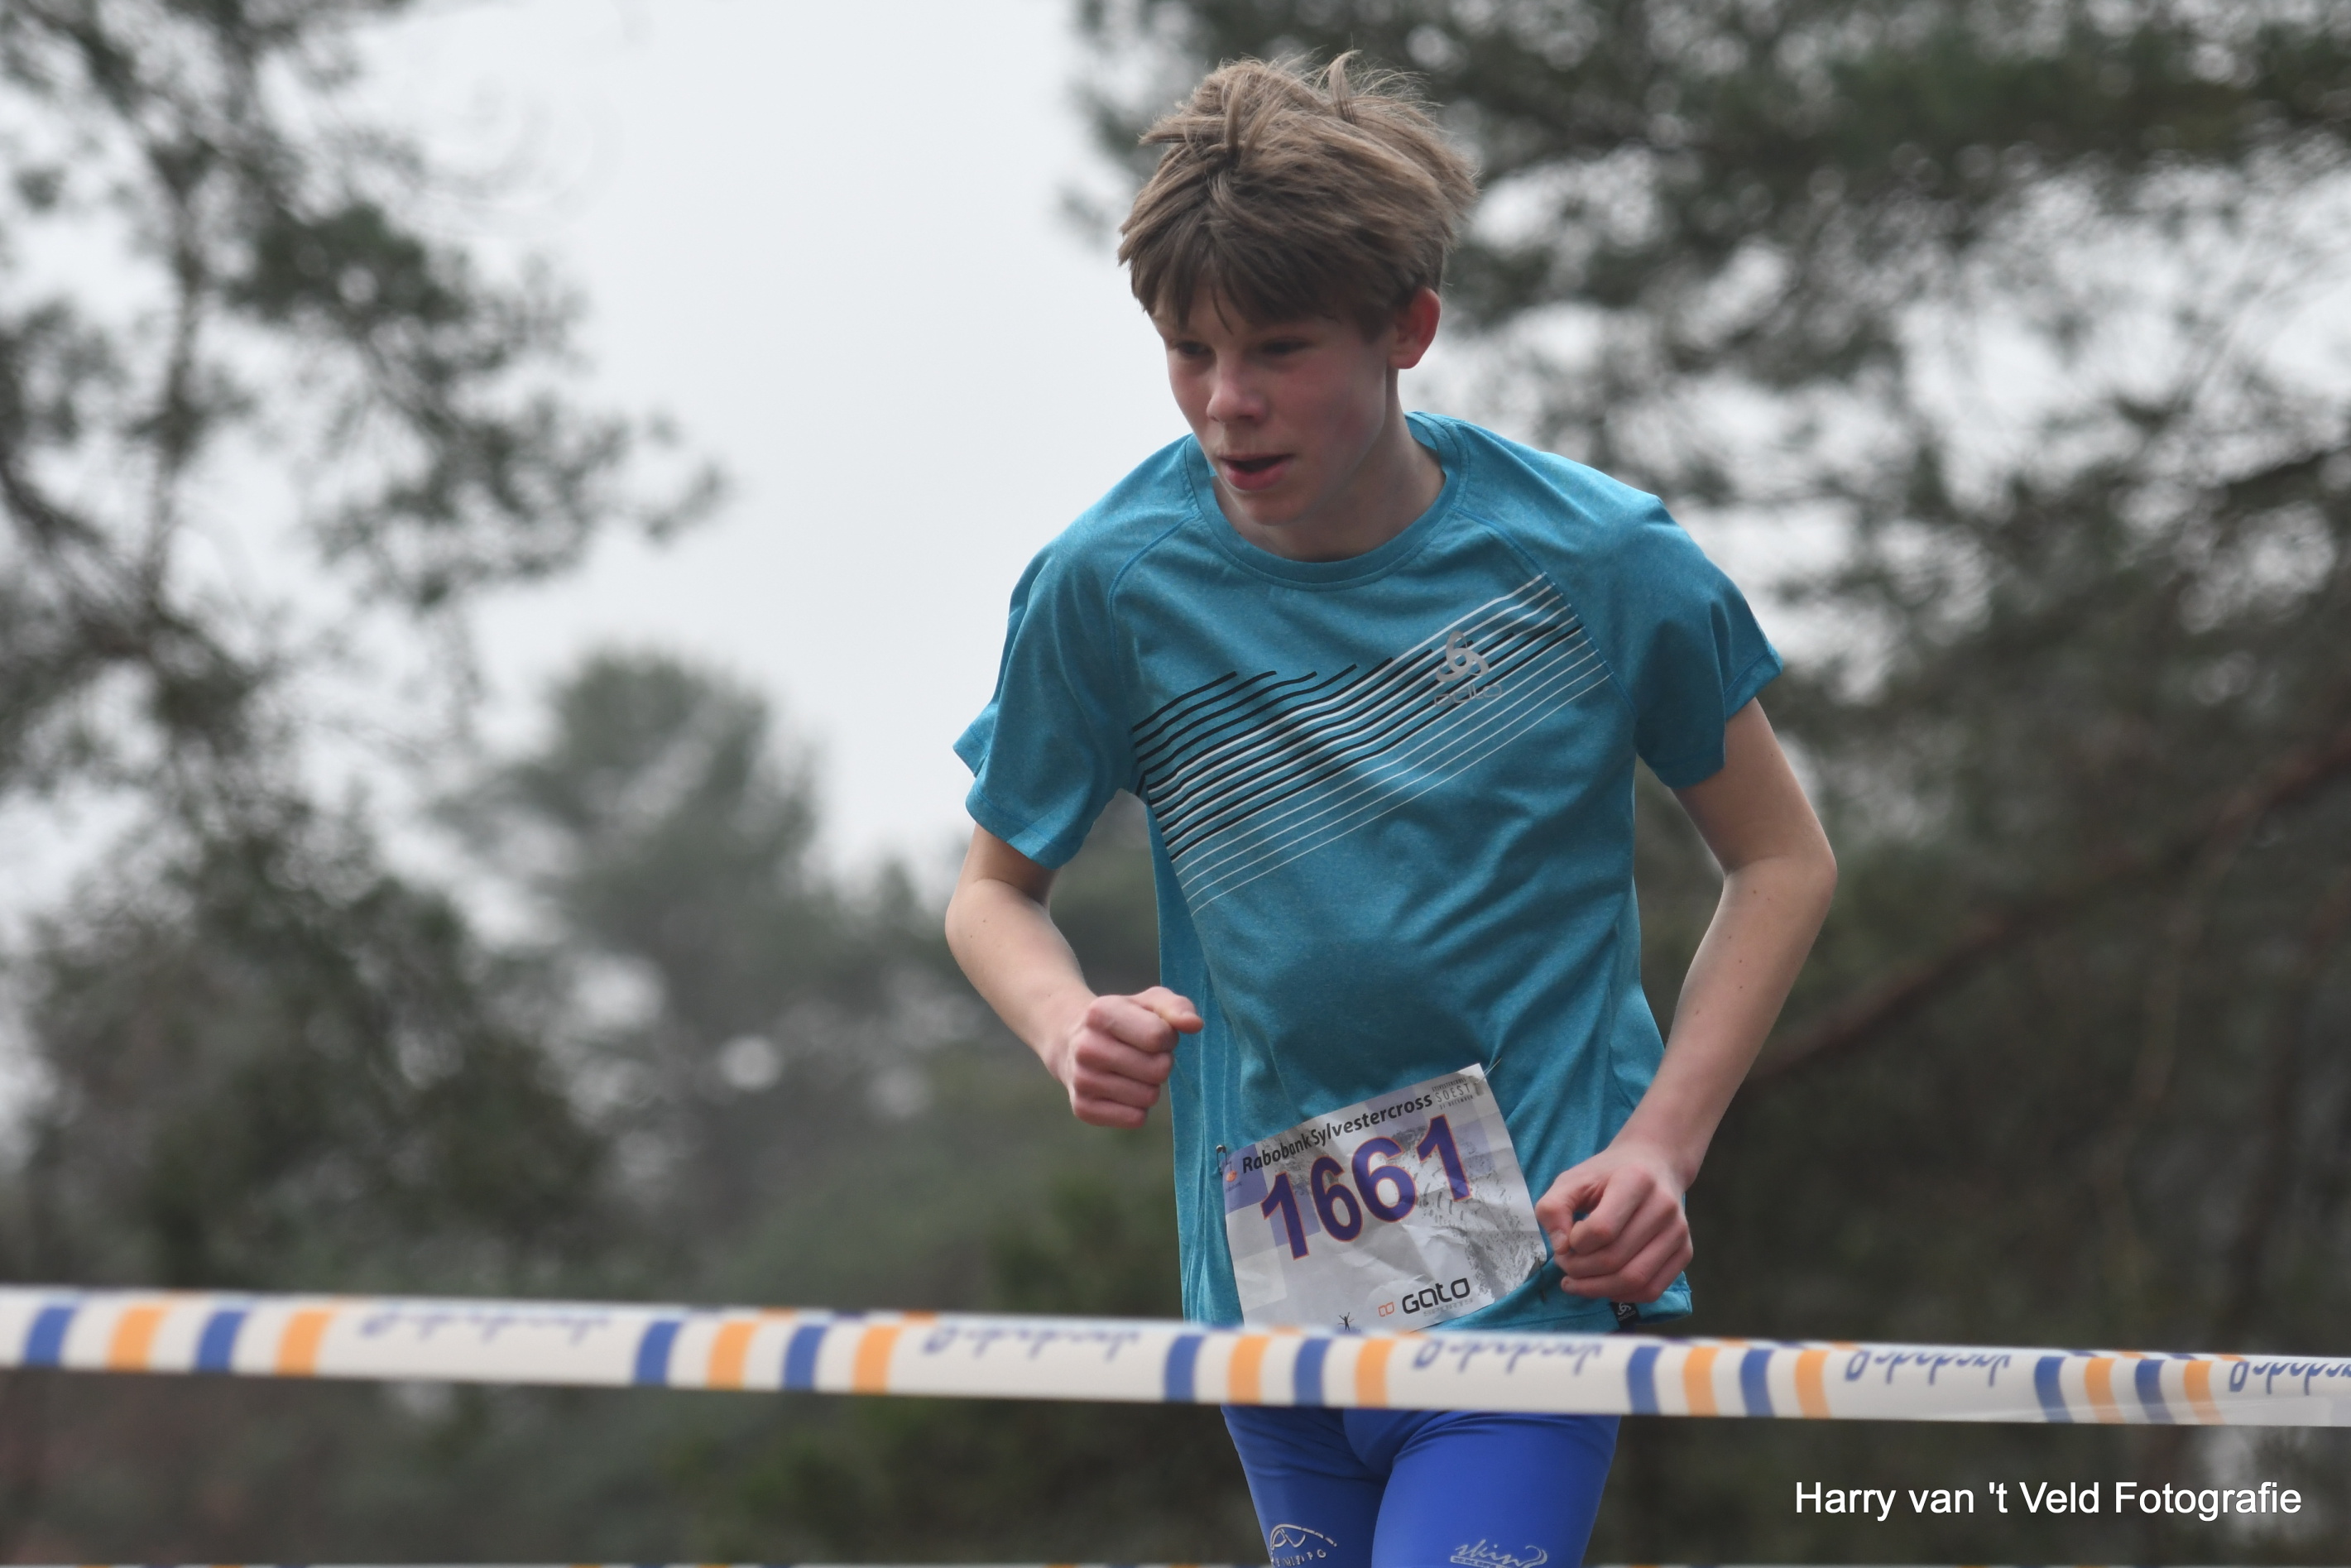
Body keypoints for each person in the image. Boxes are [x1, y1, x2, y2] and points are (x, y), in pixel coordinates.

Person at [944, 53, 1836, 1568]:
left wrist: (1663, 1145)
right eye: (1186, 351)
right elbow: (990, 892)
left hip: (1533, 1277)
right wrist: (1061, 1022)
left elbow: (1780, 859)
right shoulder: (1108, 583)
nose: (1226, 403)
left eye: (1279, 350)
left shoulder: (1600, 560)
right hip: (1272, 1297)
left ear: (1406, 330)